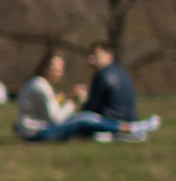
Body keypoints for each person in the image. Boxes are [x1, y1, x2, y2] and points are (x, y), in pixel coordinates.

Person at [29, 42, 160, 142]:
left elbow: (91, 109)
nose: (90, 60)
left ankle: (127, 130)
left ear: (109, 56)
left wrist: (77, 102)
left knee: (84, 118)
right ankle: (130, 129)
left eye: (95, 56)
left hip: (107, 122)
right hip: (129, 118)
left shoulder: (102, 75)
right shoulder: (122, 72)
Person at [14, 52, 76, 140]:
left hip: (31, 129)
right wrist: (72, 102)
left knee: (82, 118)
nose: (58, 74)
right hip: (36, 131)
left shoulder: (37, 83)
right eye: (55, 70)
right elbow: (56, 119)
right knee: (83, 120)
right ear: (44, 69)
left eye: (60, 70)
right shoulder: (41, 86)